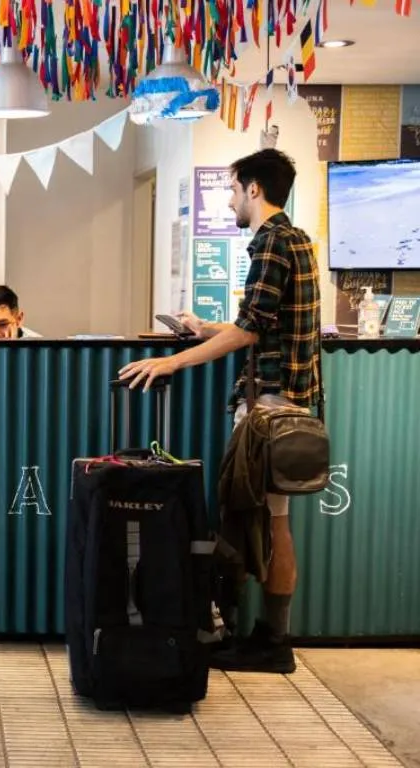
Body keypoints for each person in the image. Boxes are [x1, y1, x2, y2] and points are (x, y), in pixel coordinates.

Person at [118, 148, 320, 674]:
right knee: (271, 522)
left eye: (233, 190)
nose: (230, 200)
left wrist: (172, 361)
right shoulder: (297, 240)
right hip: (290, 406)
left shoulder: (270, 242)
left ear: (254, 189)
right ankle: (268, 636)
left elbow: (250, 331)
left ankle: (264, 641)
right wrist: (205, 328)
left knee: (251, 523)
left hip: (268, 409)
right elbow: (262, 323)